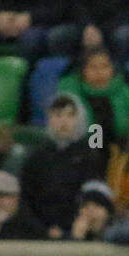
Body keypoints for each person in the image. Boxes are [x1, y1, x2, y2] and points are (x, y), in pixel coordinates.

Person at [22, 92, 106, 237]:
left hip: (79, 231)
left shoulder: (89, 155)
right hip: (39, 232)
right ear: (49, 119)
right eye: (58, 115)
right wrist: (44, 230)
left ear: (79, 118)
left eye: (70, 115)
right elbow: (25, 199)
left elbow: (93, 197)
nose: (64, 122)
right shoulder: (37, 157)